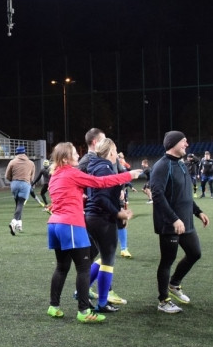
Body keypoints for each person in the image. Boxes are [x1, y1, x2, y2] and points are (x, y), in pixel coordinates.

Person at [45, 141, 142, 323]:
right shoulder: (72, 173)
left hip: (54, 225)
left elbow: (67, 195)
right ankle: (83, 311)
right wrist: (128, 175)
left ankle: (54, 306)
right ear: (65, 159)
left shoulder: (55, 175)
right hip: (71, 225)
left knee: (61, 267)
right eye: (74, 153)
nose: (78, 156)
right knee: (83, 268)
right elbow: (100, 182)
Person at [148, 131, 210, 313]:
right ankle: (163, 301)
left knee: (195, 253)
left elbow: (185, 193)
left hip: (186, 221)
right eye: (184, 141)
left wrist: (198, 212)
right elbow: (157, 194)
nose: (187, 144)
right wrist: (174, 219)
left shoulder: (181, 165)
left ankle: (174, 284)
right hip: (170, 223)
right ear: (173, 143)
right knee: (167, 261)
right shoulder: (161, 166)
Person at [85, 138, 134, 313]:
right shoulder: (104, 167)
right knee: (108, 260)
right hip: (101, 218)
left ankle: (81, 291)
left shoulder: (94, 166)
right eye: (115, 150)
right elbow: (100, 197)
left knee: (104, 256)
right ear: (111, 152)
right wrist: (117, 212)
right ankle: (103, 303)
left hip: (92, 217)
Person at [5, 145, 36, 235]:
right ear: (24, 152)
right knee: (20, 204)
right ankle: (14, 222)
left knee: (18, 204)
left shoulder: (12, 162)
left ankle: (19, 224)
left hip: (14, 184)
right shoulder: (31, 163)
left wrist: (13, 180)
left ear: (16, 153)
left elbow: (7, 175)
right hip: (25, 184)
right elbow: (32, 177)